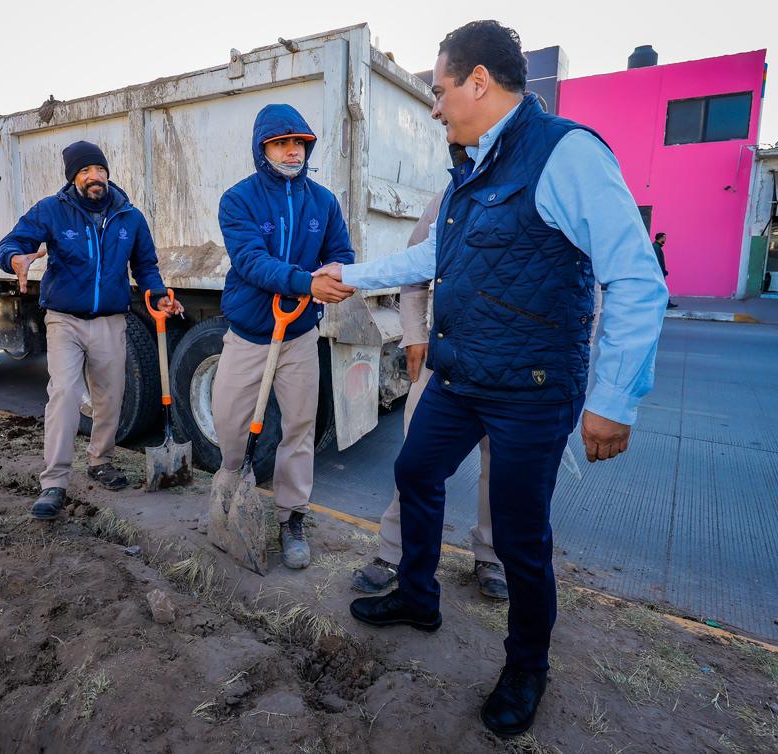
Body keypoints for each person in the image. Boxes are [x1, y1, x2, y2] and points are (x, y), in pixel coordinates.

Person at [319, 21, 668, 736]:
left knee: (518, 536)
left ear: (478, 82)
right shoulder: (470, 170)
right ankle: (418, 596)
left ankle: (526, 667)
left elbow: (637, 279)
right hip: (462, 376)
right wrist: (351, 275)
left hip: (532, 389)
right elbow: (431, 260)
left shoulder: (566, 153)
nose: (436, 107)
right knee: (416, 472)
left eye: (440, 90)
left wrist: (614, 399)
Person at [350, 144, 507, 601]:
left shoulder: (545, 196)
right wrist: (415, 333)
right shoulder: (450, 198)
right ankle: (394, 551)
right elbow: (416, 267)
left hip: (512, 370)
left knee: (502, 469)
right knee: (416, 460)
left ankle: (492, 556)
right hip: (445, 361)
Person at [0, 141, 182, 520]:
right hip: (64, 319)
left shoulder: (129, 216)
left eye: (99, 169)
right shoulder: (52, 210)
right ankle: (54, 482)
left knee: (110, 396)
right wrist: (15, 258)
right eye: (84, 171)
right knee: (64, 393)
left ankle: (100, 460)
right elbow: (12, 243)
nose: (94, 176)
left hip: (111, 320)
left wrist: (159, 294)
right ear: (73, 178)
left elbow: (145, 266)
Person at [212, 104, 357, 570]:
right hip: (248, 334)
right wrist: (305, 282)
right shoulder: (238, 200)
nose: (292, 151)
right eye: (281, 143)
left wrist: (335, 275)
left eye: (299, 143)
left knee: (298, 428)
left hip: (298, 335)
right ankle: (230, 492)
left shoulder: (324, 202)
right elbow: (250, 261)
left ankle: (292, 517)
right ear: (263, 149)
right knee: (230, 424)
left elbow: (341, 253)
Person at [653, 232, 677, 308]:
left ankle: (665, 303)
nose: (665, 239)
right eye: (664, 238)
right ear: (660, 238)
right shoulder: (656, 247)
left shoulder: (657, 247)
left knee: (660, 288)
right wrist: (662, 271)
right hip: (659, 272)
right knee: (662, 288)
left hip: (659, 272)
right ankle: (666, 303)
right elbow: (657, 261)